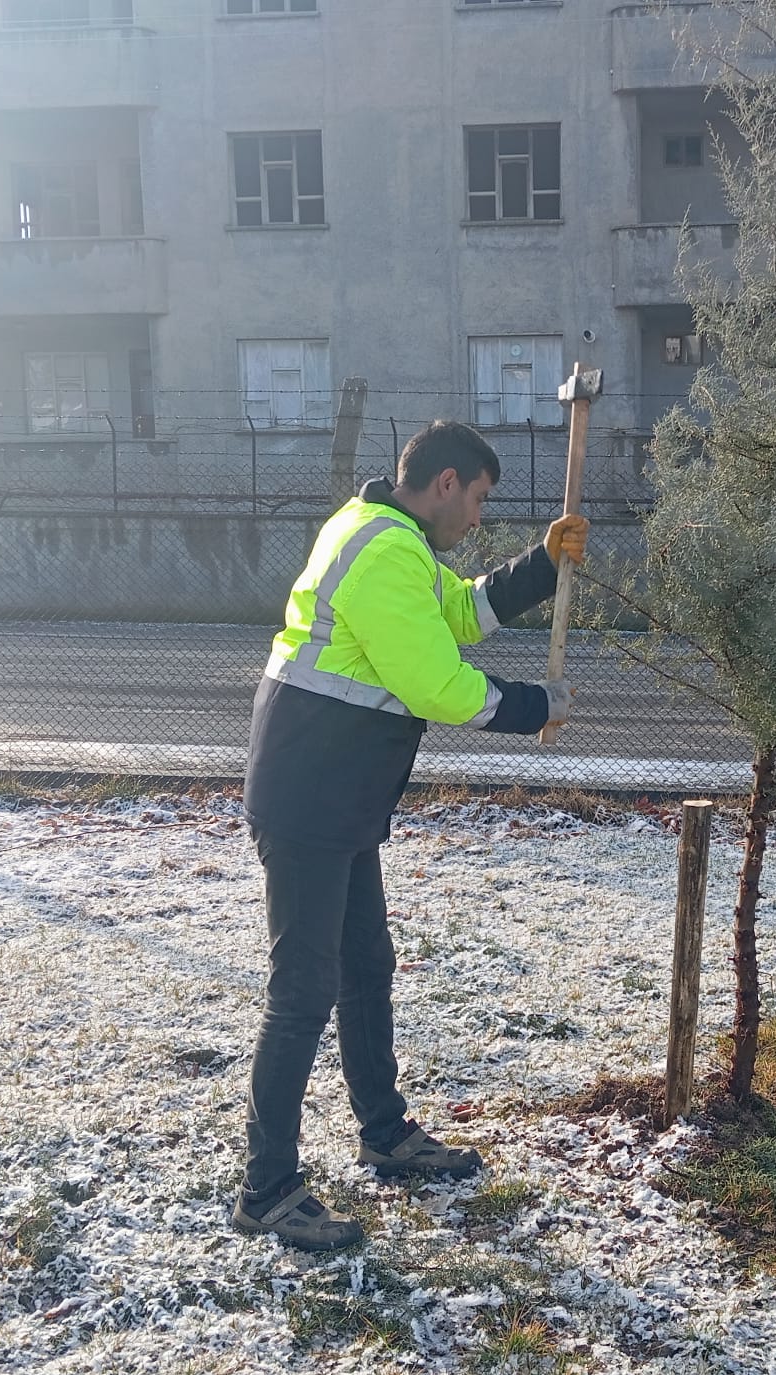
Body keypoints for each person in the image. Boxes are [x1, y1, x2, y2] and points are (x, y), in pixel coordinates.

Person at [233, 420, 586, 1252]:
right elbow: (438, 683)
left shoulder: (388, 535)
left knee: (366, 968)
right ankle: (267, 1189)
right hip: (311, 793)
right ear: (446, 483)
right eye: (479, 500)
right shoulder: (387, 550)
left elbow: (455, 614)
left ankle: (384, 1133)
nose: (478, 518)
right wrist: (537, 704)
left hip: (338, 791)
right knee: (302, 993)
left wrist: (541, 565)